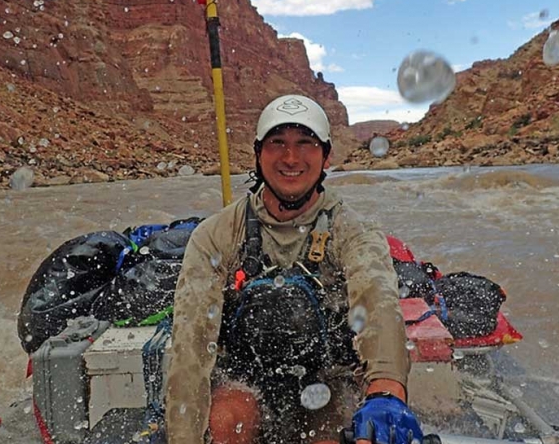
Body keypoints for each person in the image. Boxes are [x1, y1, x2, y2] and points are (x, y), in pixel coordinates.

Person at [164, 94, 423, 444]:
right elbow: (192, 342)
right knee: (227, 421)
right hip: (244, 377)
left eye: (305, 144)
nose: (290, 158)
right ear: (258, 153)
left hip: (327, 376)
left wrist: (386, 391)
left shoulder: (354, 231)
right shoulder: (216, 235)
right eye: (277, 144)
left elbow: (377, 304)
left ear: (325, 155)